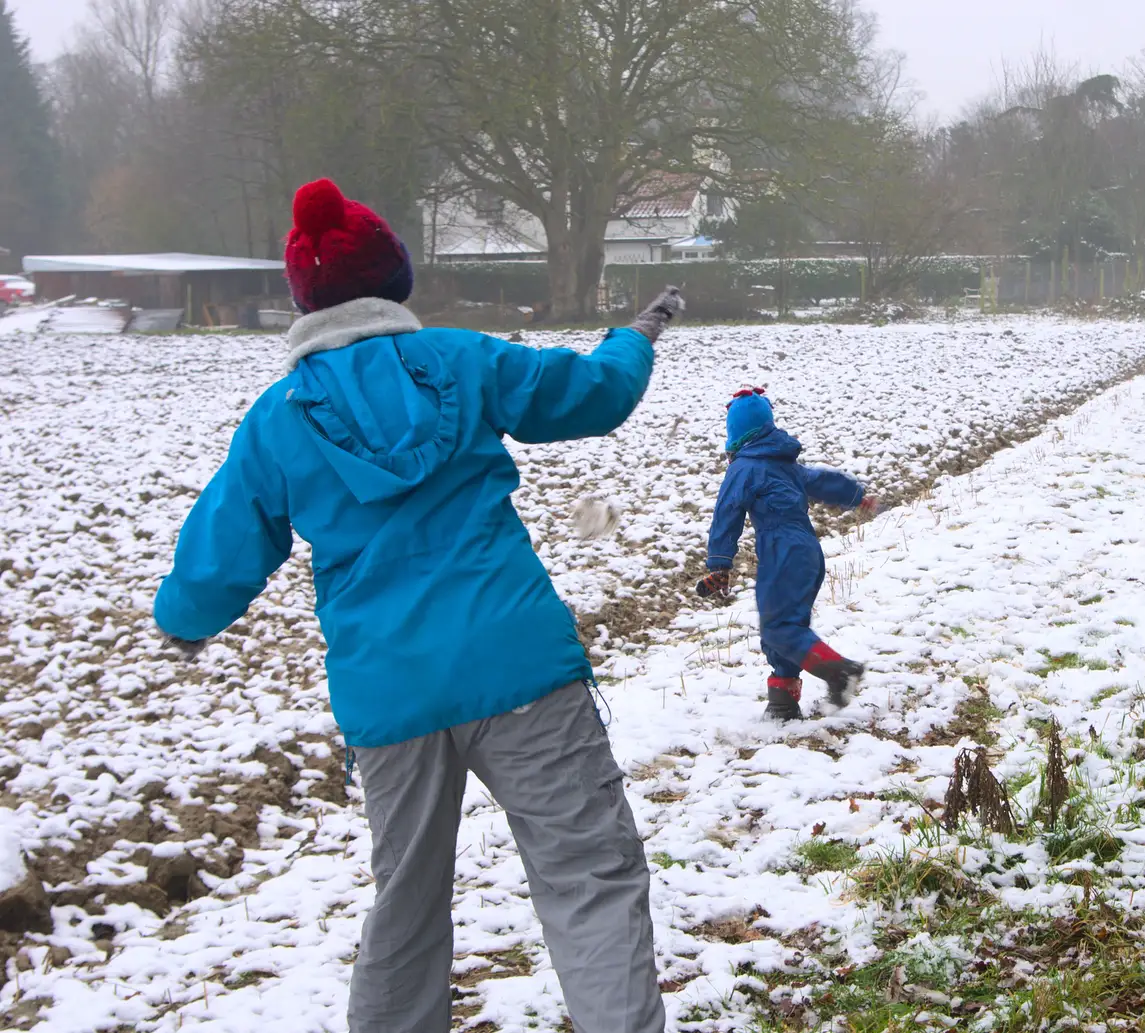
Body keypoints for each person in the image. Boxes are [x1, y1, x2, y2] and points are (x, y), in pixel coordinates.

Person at [152, 177, 677, 1033]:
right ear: (391, 278)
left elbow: (222, 547)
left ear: (305, 298)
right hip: (518, 668)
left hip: (388, 695)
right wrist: (635, 336)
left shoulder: (277, 421)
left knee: (406, 906)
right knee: (589, 876)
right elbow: (596, 393)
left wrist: (182, 618)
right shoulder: (466, 361)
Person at [696, 387, 876, 721]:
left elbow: (727, 514)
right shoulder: (786, 466)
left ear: (734, 435)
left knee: (779, 626)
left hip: (782, 550)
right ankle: (782, 702)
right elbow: (821, 480)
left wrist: (720, 564)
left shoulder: (743, 470)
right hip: (808, 551)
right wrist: (855, 495)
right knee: (785, 625)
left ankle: (839, 672)